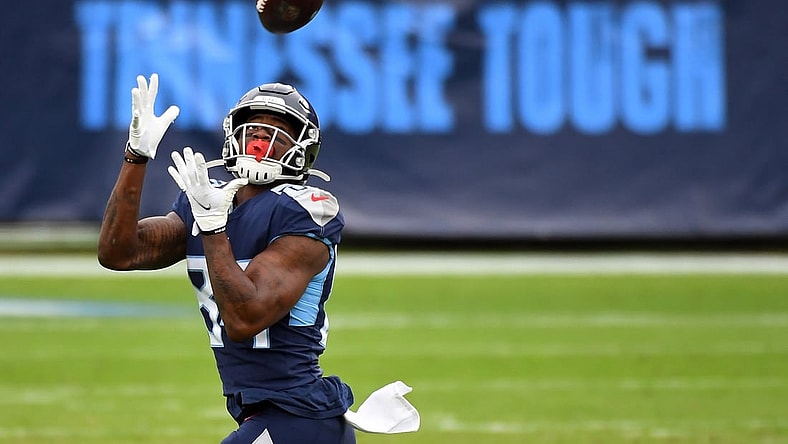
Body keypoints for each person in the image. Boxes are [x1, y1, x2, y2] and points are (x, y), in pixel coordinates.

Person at [97, 73, 356, 444]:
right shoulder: (206, 201)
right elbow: (118, 252)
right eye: (253, 130)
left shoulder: (305, 210)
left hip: (297, 416)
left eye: (277, 134)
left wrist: (214, 230)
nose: (261, 141)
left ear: (303, 149)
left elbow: (245, 318)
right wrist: (136, 157)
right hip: (270, 414)